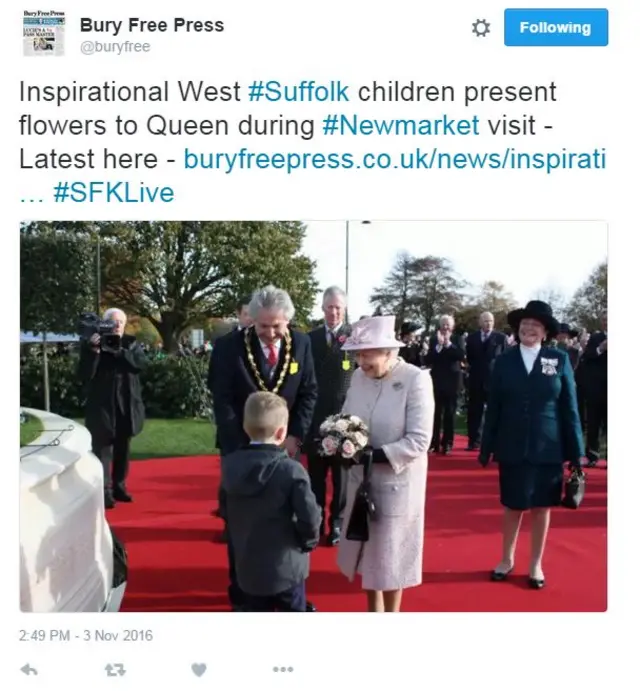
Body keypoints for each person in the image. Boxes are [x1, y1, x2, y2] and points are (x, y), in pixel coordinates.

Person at [211, 285, 318, 611]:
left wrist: (294, 437)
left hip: (286, 447)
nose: (270, 333)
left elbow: (308, 393)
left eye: (277, 326)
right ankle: (242, 594)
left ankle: (287, 587)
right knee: (243, 524)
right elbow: (223, 399)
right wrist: (246, 444)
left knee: (284, 518)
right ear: (252, 320)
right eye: (263, 326)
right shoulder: (229, 347)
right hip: (241, 448)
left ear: (288, 321)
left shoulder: (301, 344)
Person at [479, 301, 584, 589]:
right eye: (525, 323)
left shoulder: (559, 360)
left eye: (536, 324)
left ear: (546, 331)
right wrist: (486, 446)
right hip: (512, 444)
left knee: (542, 507)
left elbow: (570, 408)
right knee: (513, 506)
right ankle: (506, 558)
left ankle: (535, 563)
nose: (529, 328)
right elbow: (495, 408)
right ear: (518, 327)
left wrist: (577, 452)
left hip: (548, 446)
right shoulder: (504, 361)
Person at [336, 316, 434, 612]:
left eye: (367, 354)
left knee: (390, 558)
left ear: (389, 352)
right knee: (367, 552)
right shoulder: (357, 377)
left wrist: (375, 455)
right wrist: (338, 439)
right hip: (361, 479)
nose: (360, 361)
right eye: (357, 354)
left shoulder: (415, 379)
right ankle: (373, 613)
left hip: (397, 482)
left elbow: (419, 440)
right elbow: (345, 418)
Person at [221, 392, 322, 611]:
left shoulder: (230, 466)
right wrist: (308, 541)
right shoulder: (291, 470)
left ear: (245, 426)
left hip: (247, 567)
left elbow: (226, 511)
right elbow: (310, 517)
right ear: (281, 432)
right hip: (287, 567)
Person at [78, 308, 146, 509]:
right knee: (103, 449)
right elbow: (83, 375)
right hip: (102, 405)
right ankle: (104, 490)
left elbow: (140, 365)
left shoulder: (131, 343)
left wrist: (120, 352)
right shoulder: (93, 344)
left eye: (121, 322)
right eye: (113, 322)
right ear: (104, 324)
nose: (117, 326)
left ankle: (119, 485)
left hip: (126, 404)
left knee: (123, 448)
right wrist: (93, 352)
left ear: (125, 325)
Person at [304, 286, 355, 546]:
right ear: (322, 308)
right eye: (329, 307)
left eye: (338, 307)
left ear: (344, 310)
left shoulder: (355, 338)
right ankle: (315, 523)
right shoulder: (308, 339)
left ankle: (336, 524)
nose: (333, 312)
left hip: (344, 420)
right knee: (315, 478)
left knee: (342, 478)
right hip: (315, 419)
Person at [208, 296, 253, 527]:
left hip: (259, 423)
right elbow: (213, 381)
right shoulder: (224, 344)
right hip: (231, 420)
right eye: (247, 313)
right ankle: (228, 520)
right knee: (230, 475)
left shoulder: (265, 344)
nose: (250, 318)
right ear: (238, 314)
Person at [464, 312, 508, 450]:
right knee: (474, 412)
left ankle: (495, 442)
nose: (488, 323)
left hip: (494, 380)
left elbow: (505, 359)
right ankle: (474, 441)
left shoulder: (501, 338)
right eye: (485, 321)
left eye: (490, 321)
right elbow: (470, 358)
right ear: (480, 322)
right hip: (476, 380)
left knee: (495, 412)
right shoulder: (471, 338)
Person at [425, 315, 464, 454]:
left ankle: (447, 443)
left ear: (452, 326)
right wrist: (439, 346)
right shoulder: (434, 339)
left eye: (448, 324)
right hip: (437, 380)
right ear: (439, 326)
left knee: (450, 413)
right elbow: (428, 359)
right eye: (443, 324)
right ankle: (433, 442)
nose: (445, 327)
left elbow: (460, 355)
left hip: (453, 380)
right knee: (435, 413)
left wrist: (448, 344)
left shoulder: (458, 338)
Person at [580, 312, 607, 466]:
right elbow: (587, 357)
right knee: (593, 423)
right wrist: (600, 349)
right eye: (604, 320)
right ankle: (592, 455)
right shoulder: (596, 338)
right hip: (596, 389)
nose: (606, 322)